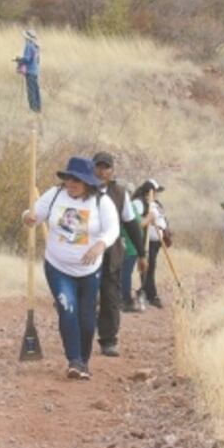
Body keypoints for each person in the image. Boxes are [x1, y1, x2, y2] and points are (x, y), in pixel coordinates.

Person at [23, 157, 119, 379]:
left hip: (89, 270)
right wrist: (28, 218)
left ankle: (83, 361)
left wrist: (100, 244)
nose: (72, 183)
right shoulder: (55, 195)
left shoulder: (101, 202)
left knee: (86, 319)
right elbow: (34, 215)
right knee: (67, 310)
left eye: (77, 180)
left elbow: (112, 228)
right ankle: (74, 361)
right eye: (68, 178)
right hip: (58, 266)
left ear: (88, 182)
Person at [91, 152, 147, 357]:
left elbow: (132, 225)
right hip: (84, 252)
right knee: (85, 296)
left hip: (111, 253)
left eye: (106, 167)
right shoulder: (82, 188)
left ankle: (108, 340)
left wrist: (142, 254)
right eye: (98, 166)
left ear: (112, 171)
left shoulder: (119, 193)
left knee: (110, 296)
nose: (102, 171)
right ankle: (82, 336)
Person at [133, 179, 168, 309]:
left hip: (156, 240)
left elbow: (162, 219)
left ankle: (146, 291)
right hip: (146, 240)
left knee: (151, 266)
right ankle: (150, 295)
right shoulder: (140, 203)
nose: (157, 193)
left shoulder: (155, 203)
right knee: (148, 266)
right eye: (155, 191)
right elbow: (137, 221)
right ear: (149, 191)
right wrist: (149, 218)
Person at [120, 183, 141, 313]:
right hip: (129, 246)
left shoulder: (127, 207)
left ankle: (125, 300)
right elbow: (138, 224)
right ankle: (125, 300)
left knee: (124, 274)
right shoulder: (130, 207)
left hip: (128, 246)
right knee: (125, 274)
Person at [16, 29, 41, 112]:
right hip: (35, 70)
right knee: (36, 90)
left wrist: (19, 60)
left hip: (30, 71)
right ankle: (38, 108)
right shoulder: (36, 46)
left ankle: (33, 109)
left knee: (31, 91)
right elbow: (37, 59)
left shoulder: (28, 45)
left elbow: (27, 59)